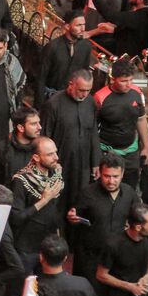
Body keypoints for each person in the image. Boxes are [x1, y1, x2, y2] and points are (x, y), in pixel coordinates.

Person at [67, 153, 141, 288]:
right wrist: (72, 218)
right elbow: (74, 218)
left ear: (122, 174)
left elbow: (137, 216)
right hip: (90, 258)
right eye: (107, 176)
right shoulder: (87, 193)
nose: (111, 181)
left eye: (115, 177)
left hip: (116, 259)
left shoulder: (129, 193)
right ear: (100, 173)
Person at [40, 69, 101, 211]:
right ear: (71, 84)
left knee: (80, 202)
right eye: (81, 90)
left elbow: (92, 132)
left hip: (83, 164)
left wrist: (96, 161)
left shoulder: (90, 102)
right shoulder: (53, 104)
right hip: (60, 163)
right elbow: (44, 137)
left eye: (88, 90)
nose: (84, 94)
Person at [10, 137, 64, 273]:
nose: (56, 157)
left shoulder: (56, 176)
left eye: (55, 152)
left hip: (49, 246)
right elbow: (16, 218)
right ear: (36, 157)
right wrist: (43, 201)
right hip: (26, 248)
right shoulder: (21, 180)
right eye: (50, 154)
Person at [94, 59, 148, 190]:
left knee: (130, 188)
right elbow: (92, 130)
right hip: (107, 152)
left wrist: (146, 146)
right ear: (113, 79)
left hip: (131, 152)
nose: (128, 84)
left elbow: (141, 119)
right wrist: (96, 157)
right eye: (124, 81)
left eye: (131, 80)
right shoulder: (100, 97)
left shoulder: (137, 93)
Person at [0, 107, 41, 185]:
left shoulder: (41, 147)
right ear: (21, 128)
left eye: (39, 123)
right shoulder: (0, 149)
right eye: (34, 124)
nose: (39, 127)